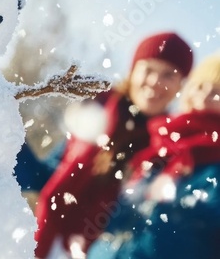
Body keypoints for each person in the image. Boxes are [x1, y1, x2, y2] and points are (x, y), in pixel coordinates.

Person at [34, 32, 193, 259]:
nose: (155, 82)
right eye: (148, 70)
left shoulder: (169, 146)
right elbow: (49, 176)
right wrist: (20, 159)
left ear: (180, 85)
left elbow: (147, 218)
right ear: (133, 71)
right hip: (43, 238)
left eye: (168, 75)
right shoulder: (95, 110)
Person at [87, 52, 220, 259]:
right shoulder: (156, 148)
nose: (204, 95)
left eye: (217, 91)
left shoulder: (214, 163)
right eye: (200, 86)